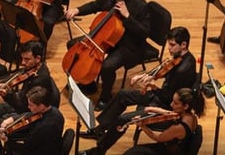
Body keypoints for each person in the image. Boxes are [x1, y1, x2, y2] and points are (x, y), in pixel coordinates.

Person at [78, 26, 197, 155]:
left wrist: (152, 86)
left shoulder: (183, 70)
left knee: (123, 119)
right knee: (123, 95)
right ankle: (100, 130)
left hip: (167, 107)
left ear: (184, 45)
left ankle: (98, 151)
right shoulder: (180, 57)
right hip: (161, 96)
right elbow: (165, 67)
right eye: (169, 44)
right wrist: (147, 75)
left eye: (172, 45)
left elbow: (169, 98)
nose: (169, 48)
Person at [65, 0, 151, 111]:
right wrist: (77, 10)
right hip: (105, 37)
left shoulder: (140, 5)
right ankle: (88, 83)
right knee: (72, 44)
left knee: (107, 66)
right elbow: (96, 5)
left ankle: (106, 97)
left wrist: (127, 16)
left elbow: (143, 33)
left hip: (128, 44)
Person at [0, 41, 58, 155]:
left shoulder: (40, 80)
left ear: (38, 58)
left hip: (28, 112)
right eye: (22, 59)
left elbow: (25, 106)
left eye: (26, 59)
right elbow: (16, 77)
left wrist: (7, 96)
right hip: (22, 104)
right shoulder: (34, 68)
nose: (23, 63)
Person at [123, 87, 205, 155]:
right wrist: (155, 109)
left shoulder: (179, 128)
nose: (171, 104)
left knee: (133, 153)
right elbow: (170, 113)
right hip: (178, 148)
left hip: (169, 151)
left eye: (175, 103)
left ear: (185, 106)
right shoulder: (191, 116)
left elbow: (157, 138)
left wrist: (142, 126)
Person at [0, 86, 64, 155]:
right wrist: (7, 128)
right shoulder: (54, 111)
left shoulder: (44, 128)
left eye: (31, 105)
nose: (28, 107)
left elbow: (27, 150)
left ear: (41, 106)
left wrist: (7, 140)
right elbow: (29, 115)